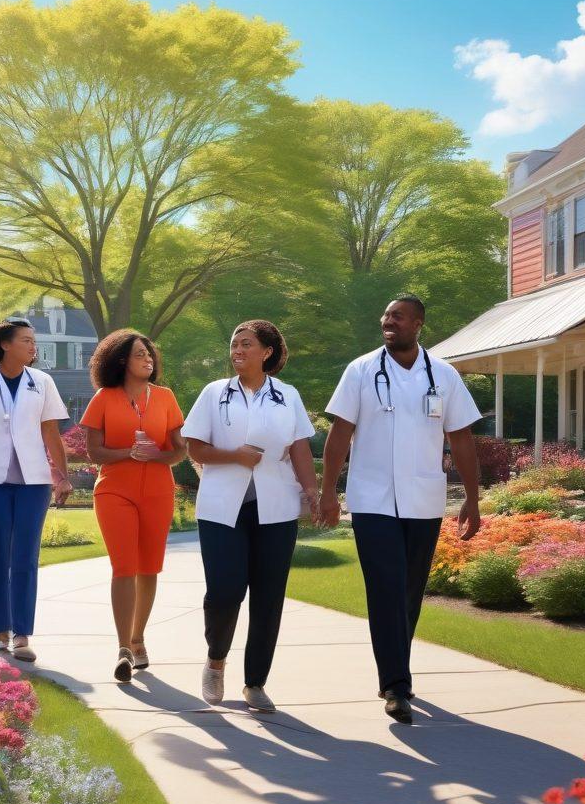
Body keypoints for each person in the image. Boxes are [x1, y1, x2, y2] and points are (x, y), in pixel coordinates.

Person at [320, 294, 481, 725]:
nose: (388, 321)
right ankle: (396, 684)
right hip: (371, 500)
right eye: (386, 315)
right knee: (386, 587)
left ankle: (396, 669)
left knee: (409, 592)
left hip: (423, 501)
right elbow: (340, 434)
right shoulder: (360, 370)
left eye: (398, 316)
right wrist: (327, 492)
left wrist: (473, 497)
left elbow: (462, 439)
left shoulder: (443, 376)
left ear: (418, 325)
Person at [183, 320, 320, 713]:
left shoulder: (287, 395)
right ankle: (215, 659)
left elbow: (298, 449)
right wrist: (234, 456)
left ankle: (255, 682)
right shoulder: (214, 394)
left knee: (268, 596)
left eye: (246, 344)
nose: (237, 350)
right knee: (225, 591)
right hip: (221, 507)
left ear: (267, 352)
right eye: (233, 344)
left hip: (276, 507)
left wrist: (312, 492)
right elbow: (194, 447)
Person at [0, 317, 73, 662]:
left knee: (24, 558)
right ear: (5, 344)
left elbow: (52, 432)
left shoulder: (43, 382)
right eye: (26, 340)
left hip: (33, 483)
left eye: (33, 341)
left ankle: (22, 635)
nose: (33, 347)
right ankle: (0, 632)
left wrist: (62, 476)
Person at [80, 330, 187, 682]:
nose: (149, 360)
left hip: (158, 489)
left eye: (150, 355)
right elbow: (94, 452)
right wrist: (128, 452)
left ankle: (139, 637)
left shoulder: (166, 397)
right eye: (141, 354)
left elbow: (179, 450)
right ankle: (123, 647)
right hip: (114, 490)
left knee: (149, 568)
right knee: (123, 566)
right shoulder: (104, 398)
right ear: (122, 359)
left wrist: (161, 456)